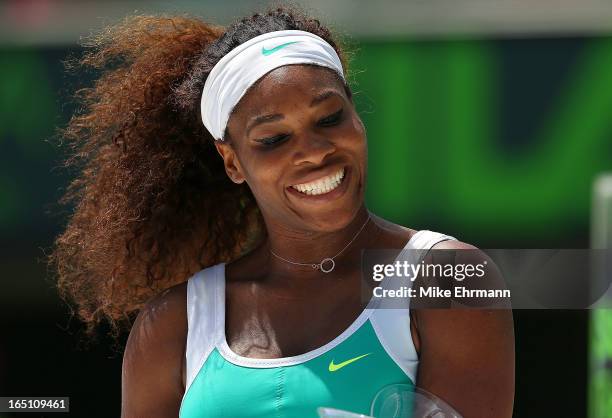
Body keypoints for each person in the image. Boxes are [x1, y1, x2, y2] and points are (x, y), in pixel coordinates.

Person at [51, 6, 514, 418]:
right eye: (273, 139)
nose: (313, 152)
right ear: (232, 161)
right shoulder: (175, 323)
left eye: (329, 118)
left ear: (356, 114)